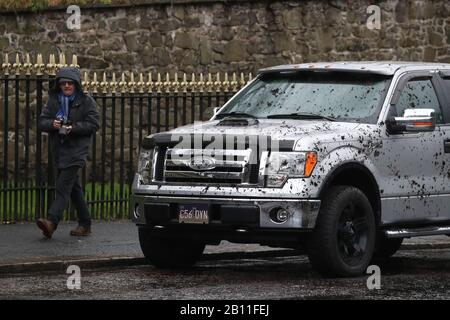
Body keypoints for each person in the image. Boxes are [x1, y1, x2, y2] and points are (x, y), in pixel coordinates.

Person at [37, 66, 100, 239]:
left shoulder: (86, 101)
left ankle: (51, 222)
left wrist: (74, 128)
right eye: (63, 83)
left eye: (70, 83)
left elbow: (94, 124)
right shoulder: (53, 101)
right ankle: (85, 223)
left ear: (76, 85)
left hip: (77, 151)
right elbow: (42, 122)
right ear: (59, 85)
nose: (66, 86)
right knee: (74, 189)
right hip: (59, 152)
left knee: (63, 186)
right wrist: (53, 124)